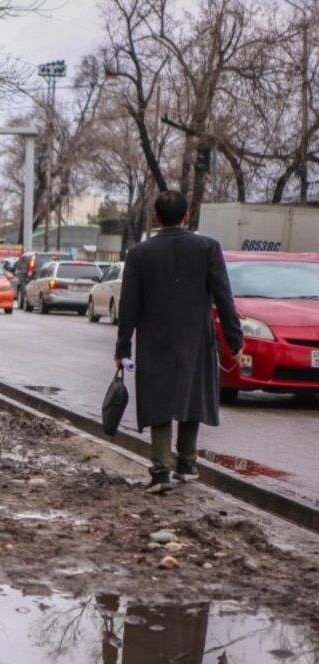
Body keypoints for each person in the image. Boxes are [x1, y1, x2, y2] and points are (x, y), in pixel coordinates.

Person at [114, 189, 244, 494]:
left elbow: (129, 304)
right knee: (193, 392)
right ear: (186, 216)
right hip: (196, 337)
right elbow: (224, 296)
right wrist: (235, 337)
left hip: (155, 337)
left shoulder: (139, 254)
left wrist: (122, 347)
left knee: (158, 397)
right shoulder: (208, 248)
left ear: (156, 218)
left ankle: (161, 470)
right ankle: (186, 463)